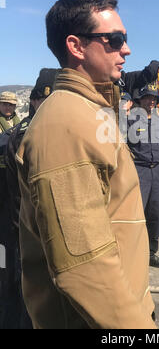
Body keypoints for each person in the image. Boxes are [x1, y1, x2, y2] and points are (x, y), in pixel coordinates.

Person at [16, 0, 156, 329]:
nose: (127, 49)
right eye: (116, 40)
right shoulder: (66, 123)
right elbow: (84, 267)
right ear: (77, 47)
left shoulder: (90, 112)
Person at [2, 69, 59, 329]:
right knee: (27, 292)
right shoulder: (26, 135)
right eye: (43, 100)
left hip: (35, 229)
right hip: (27, 230)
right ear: (35, 100)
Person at [127, 82, 159, 268]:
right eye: (148, 97)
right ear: (140, 100)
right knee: (136, 213)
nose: (151, 101)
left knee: (154, 213)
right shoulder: (130, 121)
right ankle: (132, 253)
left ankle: (151, 252)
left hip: (156, 171)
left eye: (154, 98)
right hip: (139, 170)